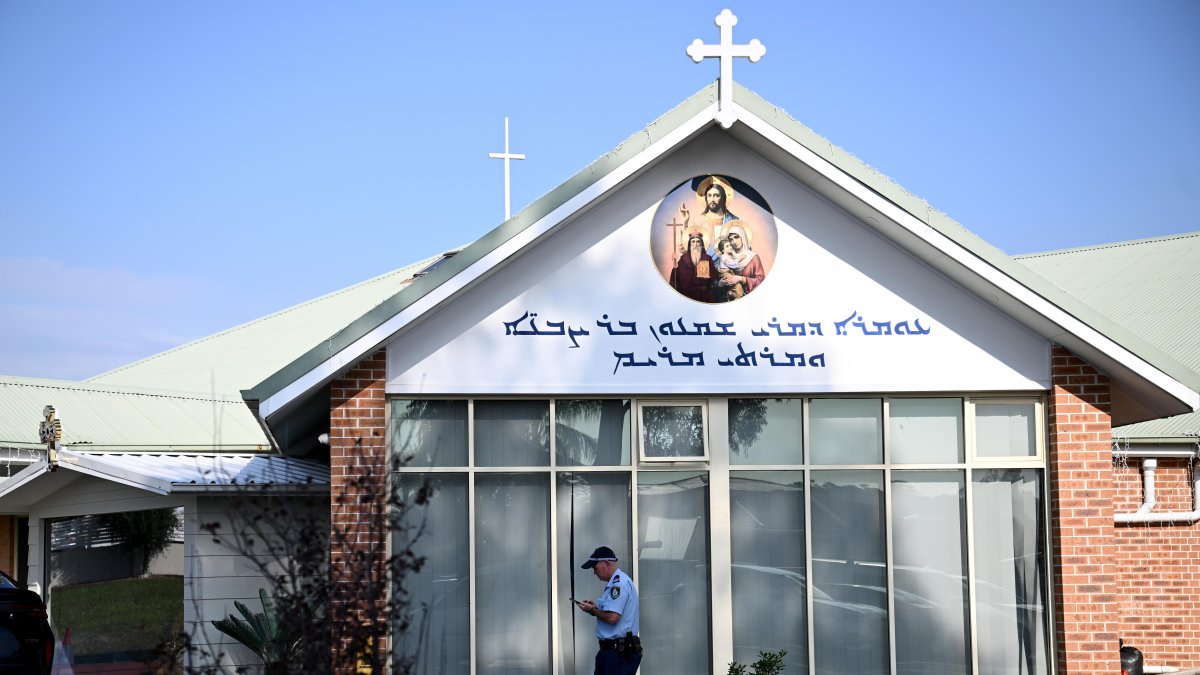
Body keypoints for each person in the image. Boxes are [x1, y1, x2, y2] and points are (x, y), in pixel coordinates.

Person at [576, 546, 641, 675]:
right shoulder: (616, 583)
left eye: (595, 568)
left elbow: (612, 618)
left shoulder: (618, 584)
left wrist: (593, 610)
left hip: (617, 654)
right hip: (614, 652)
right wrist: (594, 609)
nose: (594, 573)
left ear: (606, 563)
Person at [715, 222, 764, 301]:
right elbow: (716, 278)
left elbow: (761, 280)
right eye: (731, 239)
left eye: (736, 237)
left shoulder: (753, 257)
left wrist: (741, 279)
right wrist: (719, 284)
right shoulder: (726, 257)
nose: (734, 241)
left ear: (742, 237)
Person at [669, 231, 714, 302]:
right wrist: (675, 265)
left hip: (704, 295)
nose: (695, 244)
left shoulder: (707, 258)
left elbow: (714, 277)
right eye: (693, 242)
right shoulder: (683, 258)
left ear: (701, 244)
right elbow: (676, 278)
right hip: (687, 294)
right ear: (689, 245)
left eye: (698, 242)